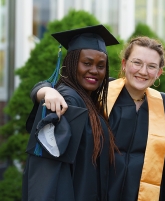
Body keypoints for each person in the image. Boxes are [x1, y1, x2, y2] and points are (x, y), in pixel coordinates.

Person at [29, 36, 165, 201]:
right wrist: (45, 91)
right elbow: (66, 88)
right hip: (98, 193)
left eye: (151, 66)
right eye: (137, 63)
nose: (143, 71)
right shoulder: (100, 93)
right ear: (124, 64)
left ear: (159, 72)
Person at [23, 25, 120, 200]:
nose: (94, 71)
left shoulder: (87, 100)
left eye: (101, 66)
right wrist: (44, 91)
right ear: (72, 63)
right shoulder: (67, 102)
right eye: (87, 63)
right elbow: (50, 172)